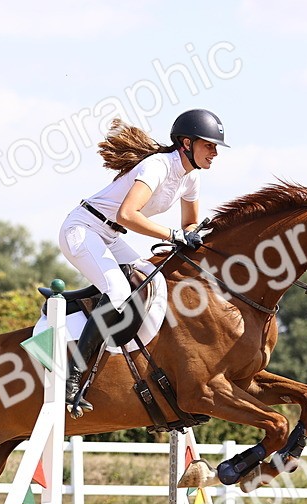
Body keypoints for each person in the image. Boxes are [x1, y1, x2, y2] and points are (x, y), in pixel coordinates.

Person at [59, 109, 227, 412]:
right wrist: (174, 234)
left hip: (109, 236)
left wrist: (195, 235)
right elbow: (127, 215)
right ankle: (72, 378)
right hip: (82, 230)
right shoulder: (158, 167)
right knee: (119, 292)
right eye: (209, 145)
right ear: (186, 143)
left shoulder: (191, 179)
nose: (214, 153)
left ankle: (87, 305)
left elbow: (189, 223)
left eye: (215, 147)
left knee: (153, 280)